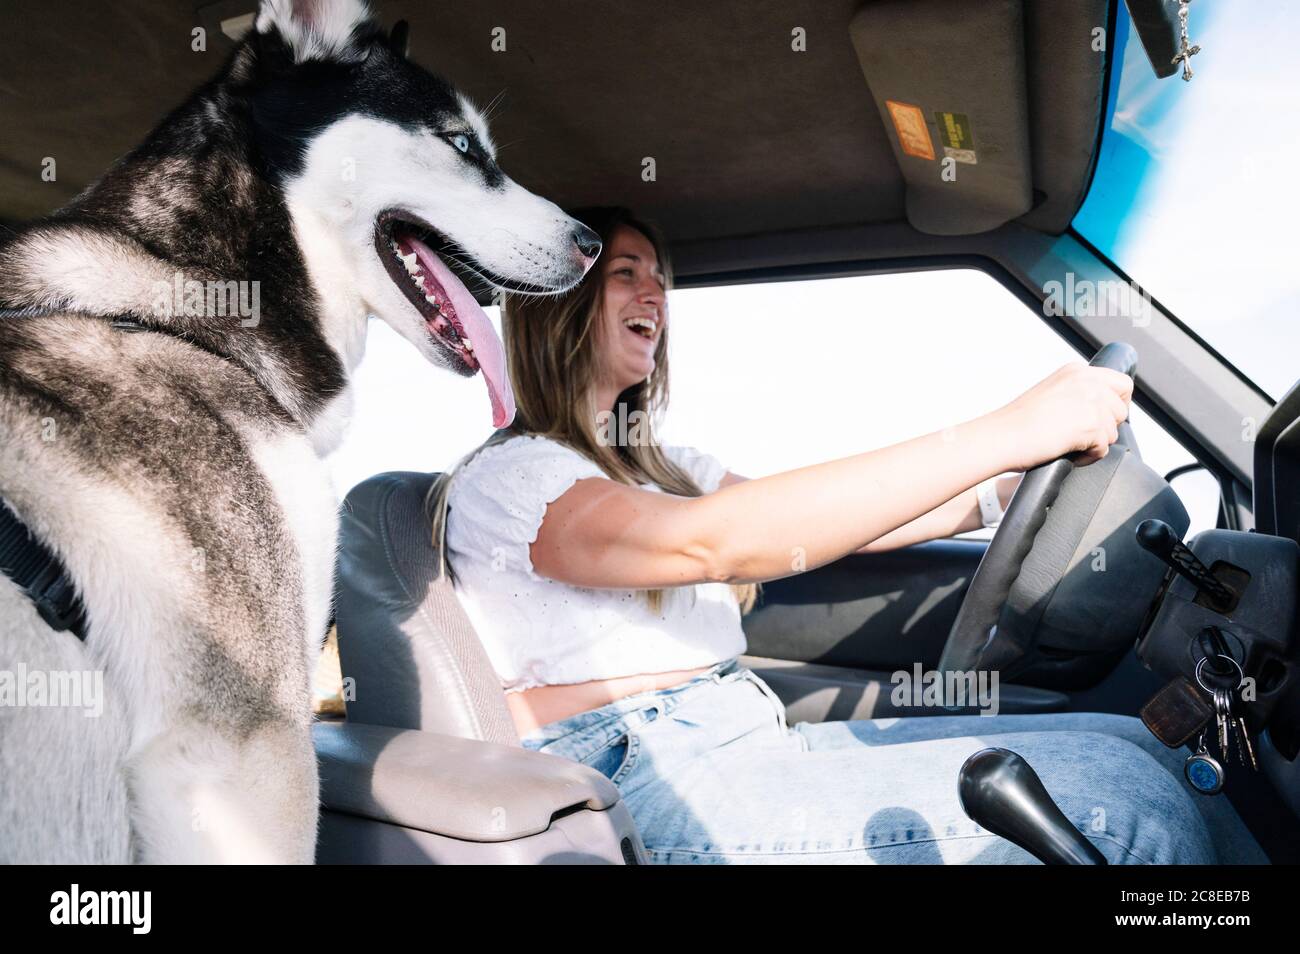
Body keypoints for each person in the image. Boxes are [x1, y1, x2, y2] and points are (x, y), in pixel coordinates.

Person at [426, 206, 1266, 864]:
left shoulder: (661, 464)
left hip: (737, 735)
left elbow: (829, 527)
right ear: (560, 304)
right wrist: (1010, 428)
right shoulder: (514, 476)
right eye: (624, 273)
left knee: (1143, 745)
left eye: (659, 277)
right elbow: (708, 543)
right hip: (635, 783)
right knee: (1128, 809)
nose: (655, 295)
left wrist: (1001, 493)